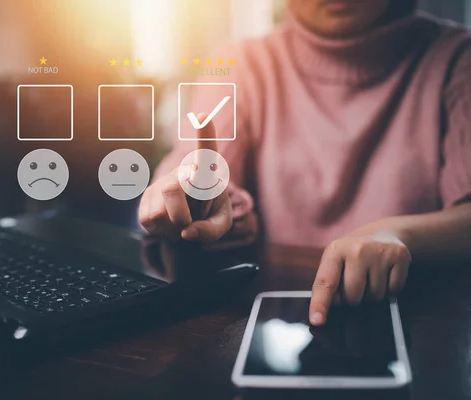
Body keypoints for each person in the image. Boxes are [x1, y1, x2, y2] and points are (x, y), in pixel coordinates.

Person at [138, 0, 471, 326]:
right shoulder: (241, 61)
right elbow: (194, 165)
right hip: (266, 323)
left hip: (418, 316)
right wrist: (189, 195)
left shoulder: (457, 57)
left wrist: (398, 234)